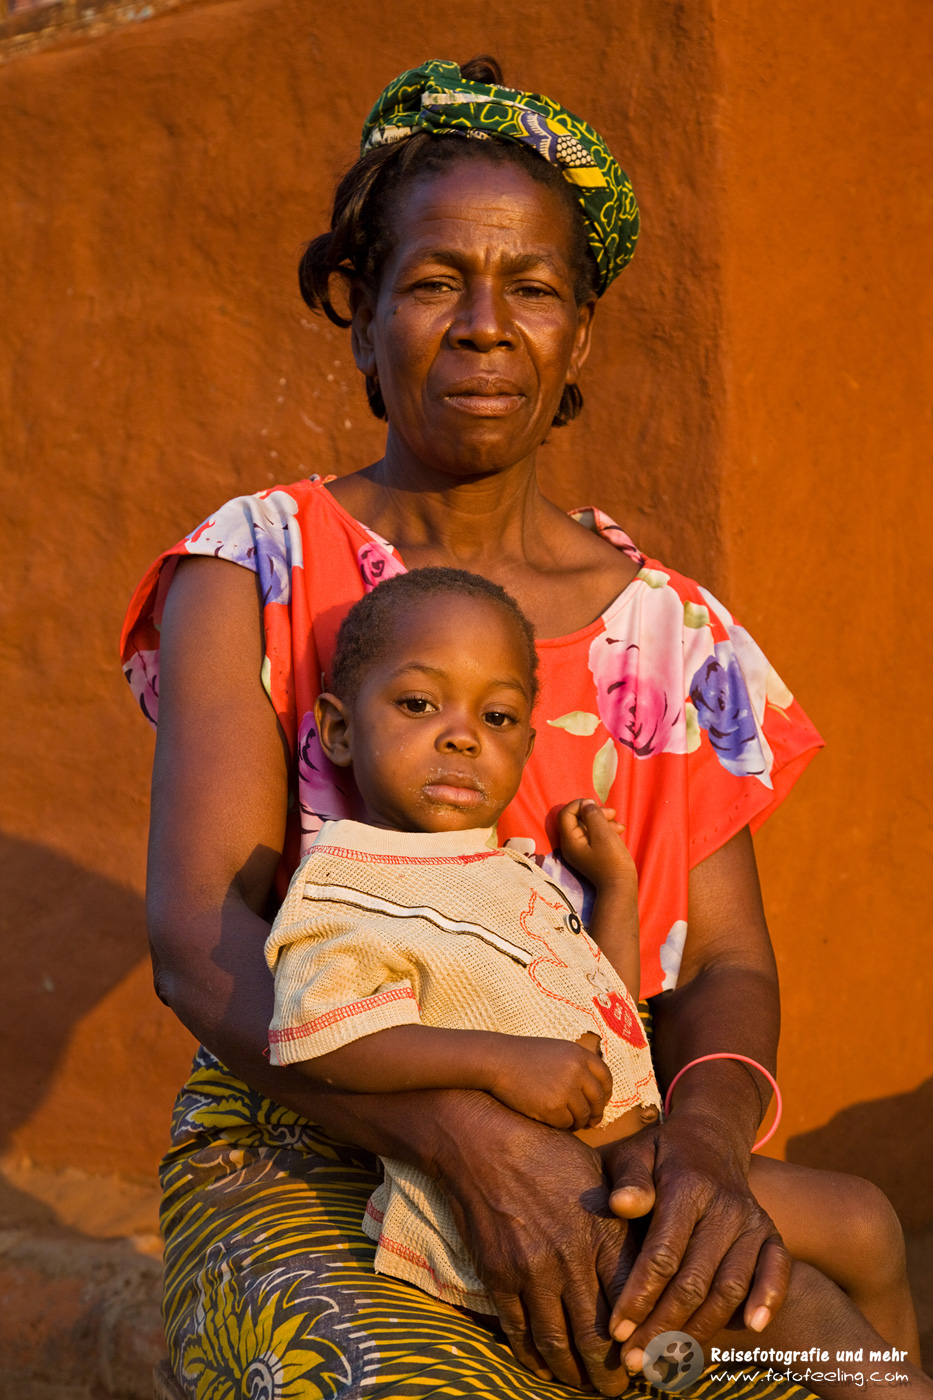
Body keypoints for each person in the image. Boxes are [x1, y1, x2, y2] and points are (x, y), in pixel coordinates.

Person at [119, 54, 917, 1398]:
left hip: (617, 1169)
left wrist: (706, 1159)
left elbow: (723, 966)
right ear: (361, 317)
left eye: (532, 288)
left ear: (581, 337)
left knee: (842, 1360)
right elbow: (200, 944)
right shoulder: (252, 570)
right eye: (434, 281)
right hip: (315, 1150)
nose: (485, 326)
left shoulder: (674, 636)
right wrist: (466, 1141)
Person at [261, 567, 922, 1386]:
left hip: (638, 1155)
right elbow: (321, 1036)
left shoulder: (506, 870)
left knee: (865, 1221)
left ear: (527, 746)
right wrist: (495, 1064)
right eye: (417, 705)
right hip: (562, 1195)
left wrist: (614, 891)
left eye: (496, 717)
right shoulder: (350, 886)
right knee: (803, 1301)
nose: (461, 736)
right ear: (337, 729)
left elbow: (593, 993)